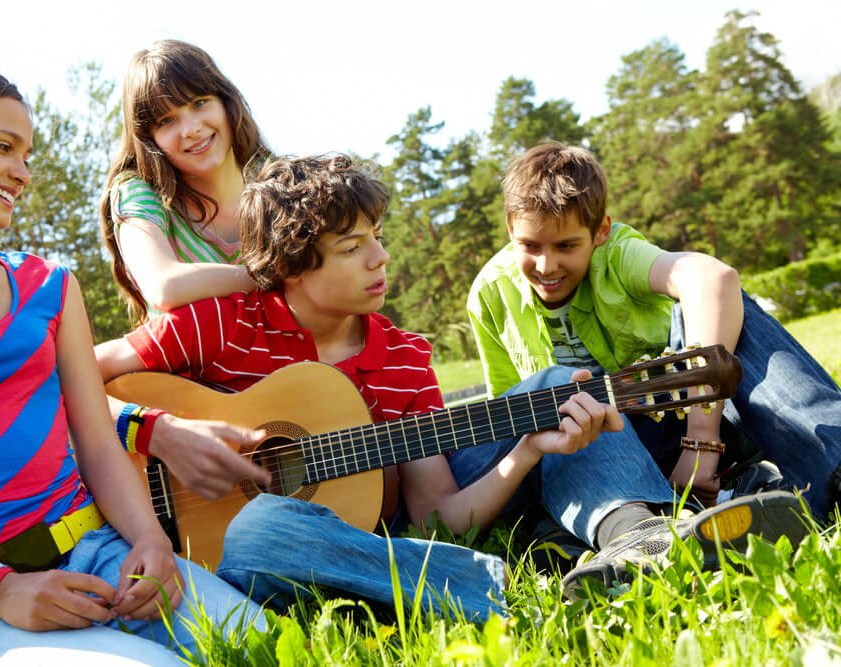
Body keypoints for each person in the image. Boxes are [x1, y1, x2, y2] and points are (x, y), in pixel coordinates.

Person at [96, 154, 804, 614]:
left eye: (377, 234)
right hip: (224, 552)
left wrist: (526, 450)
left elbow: (440, 515)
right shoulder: (216, 322)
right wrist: (158, 429)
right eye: (353, 248)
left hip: (383, 532)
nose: (381, 257)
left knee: (559, 385)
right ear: (293, 267)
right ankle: (490, 591)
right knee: (259, 526)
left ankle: (642, 540)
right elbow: (66, 380)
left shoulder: (401, 355)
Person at [0, 60, 264, 667]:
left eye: (27, 154)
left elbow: (95, 444)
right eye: (3, 146)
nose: (22, 171)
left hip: (98, 556)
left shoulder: (50, 286)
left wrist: (149, 541)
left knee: (269, 646)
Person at [466, 141, 833, 590]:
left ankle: (829, 467)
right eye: (530, 245)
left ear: (600, 232)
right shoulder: (489, 295)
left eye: (566, 245)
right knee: (560, 392)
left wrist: (701, 439)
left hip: (679, 423)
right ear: (509, 229)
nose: (546, 265)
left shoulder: (616, 252)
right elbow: (513, 416)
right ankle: (647, 532)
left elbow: (713, 278)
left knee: (724, 312)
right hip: (590, 461)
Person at [99, 39, 270, 499]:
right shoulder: (141, 194)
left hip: (282, 398)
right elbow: (162, 285)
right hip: (191, 408)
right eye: (166, 120)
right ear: (147, 137)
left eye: (199, 103)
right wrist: (268, 276)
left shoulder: (278, 186)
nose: (190, 128)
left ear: (225, 100)